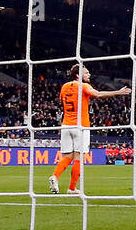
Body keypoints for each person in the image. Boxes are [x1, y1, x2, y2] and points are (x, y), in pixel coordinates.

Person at [51, 65, 131, 195]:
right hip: (80, 126)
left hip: (66, 125)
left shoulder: (64, 86)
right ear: (78, 75)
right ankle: (71, 188)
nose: (89, 75)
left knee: (68, 156)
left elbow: (63, 100)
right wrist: (118, 92)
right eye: (86, 72)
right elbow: (98, 94)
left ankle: (55, 176)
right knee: (78, 157)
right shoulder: (83, 86)